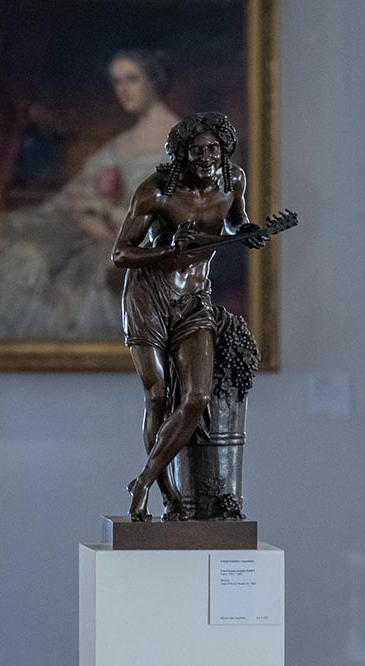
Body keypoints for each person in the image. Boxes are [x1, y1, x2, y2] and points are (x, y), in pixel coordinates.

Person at [111, 111, 274, 521]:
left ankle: (144, 479)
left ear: (224, 151)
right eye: (196, 151)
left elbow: (236, 223)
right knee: (158, 397)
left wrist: (251, 233)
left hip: (194, 299)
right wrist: (168, 250)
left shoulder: (233, 180)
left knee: (197, 397)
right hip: (150, 297)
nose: (206, 158)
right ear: (181, 154)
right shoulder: (157, 192)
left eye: (213, 150)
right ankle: (169, 493)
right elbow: (120, 254)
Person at [0, 50, 179, 341]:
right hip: (94, 231)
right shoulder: (121, 143)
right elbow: (75, 193)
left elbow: (169, 222)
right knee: (14, 245)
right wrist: (84, 208)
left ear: (154, 81)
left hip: (138, 244)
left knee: (74, 283)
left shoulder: (183, 143)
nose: (123, 90)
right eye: (117, 82)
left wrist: (102, 211)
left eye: (132, 79)